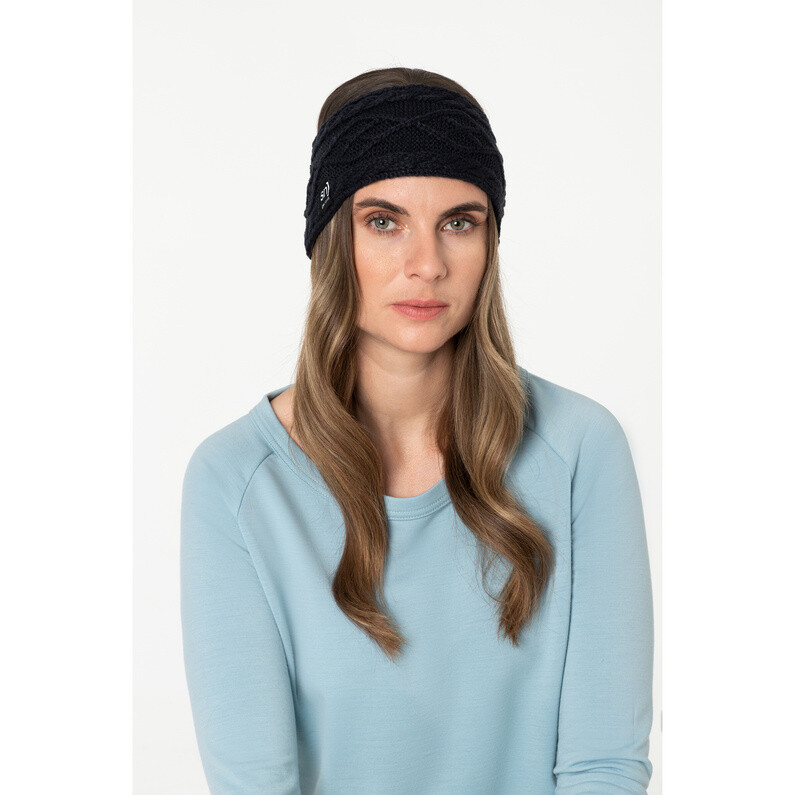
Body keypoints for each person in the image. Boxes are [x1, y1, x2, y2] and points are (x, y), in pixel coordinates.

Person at [180, 67, 654, 794]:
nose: (427, 264)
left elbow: (603, 766)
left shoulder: (580, 450)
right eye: (384, 221)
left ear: (490, 242)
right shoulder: (236, 481)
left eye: (459, 223)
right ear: (332, 240)